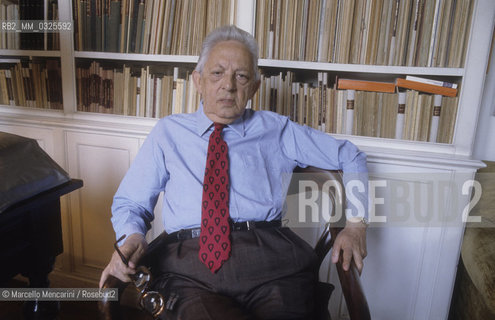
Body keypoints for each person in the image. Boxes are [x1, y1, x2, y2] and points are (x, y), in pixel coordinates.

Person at [100, 25, 368, 320]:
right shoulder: (168, 132)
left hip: (272, 262)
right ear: (198, 80)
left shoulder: (277, 129)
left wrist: (355, 224)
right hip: (189, 269)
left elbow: (350, 155)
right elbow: (130, 202)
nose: (228, 85)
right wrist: (133, 236)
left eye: (241, 76)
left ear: (254, 86)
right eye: (217, 73)